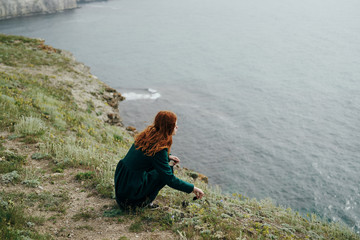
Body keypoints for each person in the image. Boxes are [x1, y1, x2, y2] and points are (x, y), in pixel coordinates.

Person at [114, 110, 204, 209]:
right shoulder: (159, 149)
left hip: (123, 185)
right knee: (167, 171)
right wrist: (192, 188)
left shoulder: (148, 134)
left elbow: (146, 155)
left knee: (165, 166)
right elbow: (170, 179)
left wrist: (167, 156)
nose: (177, 127)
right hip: (130, 193)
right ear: (168, 127)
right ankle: (141, 203)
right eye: (175, 125)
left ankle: (137, 200)